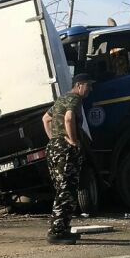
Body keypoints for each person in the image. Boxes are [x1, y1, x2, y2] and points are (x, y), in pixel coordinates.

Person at [41, 73, 94, 244]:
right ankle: (57, 232)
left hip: (54, 148)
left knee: (62, 189)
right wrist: (72, 140)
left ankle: (61, 228)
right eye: (88, 85)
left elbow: (46, 119)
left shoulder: (61, 99)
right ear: (79, 85)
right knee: (67, 191)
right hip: (66, 150)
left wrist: (54, 138)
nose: (90, 89)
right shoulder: (75, 99)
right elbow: (69, 118)